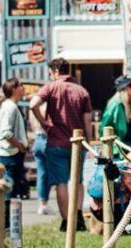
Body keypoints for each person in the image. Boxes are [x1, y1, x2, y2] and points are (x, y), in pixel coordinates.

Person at [30, 59, 94, 232]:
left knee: (61, 183)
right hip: (78, 143)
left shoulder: (51, 87)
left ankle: (67, 220)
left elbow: (32, 104)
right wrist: (89, 142)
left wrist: (44, 124)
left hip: (56, 142)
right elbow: (87, 120)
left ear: (56, 71)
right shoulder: (82, 91)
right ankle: (79, 215)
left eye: (51, 73)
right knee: (78, 180)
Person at [0, 79, 31, 199]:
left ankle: (7, 216)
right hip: (10, 155)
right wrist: (19, 145)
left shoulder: (9, 106)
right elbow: (6, 132)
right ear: (13, 89)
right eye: (21, 86)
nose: (23, 88)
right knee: (9, 191)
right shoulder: (10, 107)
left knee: (11, 190)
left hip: (10, 154)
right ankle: (6, 217)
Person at [100, 74, 131, 152]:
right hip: (117, 151)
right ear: (125, 88)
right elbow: (103, 128)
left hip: (128, 149)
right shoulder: (116, 104)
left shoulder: (128, 105)